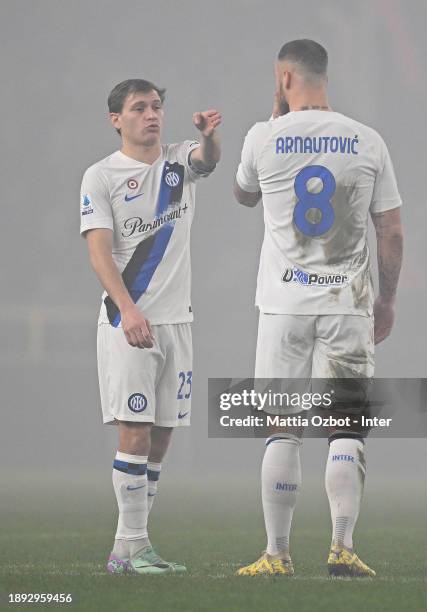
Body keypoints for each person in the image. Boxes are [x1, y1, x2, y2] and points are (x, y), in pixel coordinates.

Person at [233, 40, 403, 577]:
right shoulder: (367, 140)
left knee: (282, 426)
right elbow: (391, 230)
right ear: (324, 76)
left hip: (283, 304)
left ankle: (276, 554)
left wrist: (273, 118)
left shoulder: (263, 137)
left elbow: (243, 195)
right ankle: (342, 547)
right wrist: (387, 297)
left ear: (284, 78)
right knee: (346, 424)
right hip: (346, 303)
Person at [80, 79, 221, 574]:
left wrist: (209, 135)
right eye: (139, 108)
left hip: (177, 322)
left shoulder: (179, 161)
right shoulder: (100, 176)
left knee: (161, 436)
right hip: (128, 321)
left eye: (157, 106)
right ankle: (133, 545)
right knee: (134, 431)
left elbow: (208, 161)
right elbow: (98, 250)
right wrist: (128, 308)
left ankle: (129, 546)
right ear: (116, 119)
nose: (152, 115)